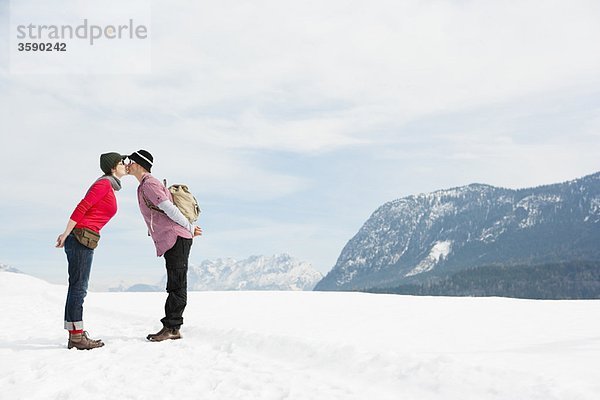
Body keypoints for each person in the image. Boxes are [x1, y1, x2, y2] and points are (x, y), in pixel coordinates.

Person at [125, 149, 202, 342]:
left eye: (130, 161)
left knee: (176, 285)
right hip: (173, 238)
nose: (127, 164)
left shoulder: (149, 184)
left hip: (176, 237)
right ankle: (171, 326)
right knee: (175, 283)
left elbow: (169, 208)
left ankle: (172, 328)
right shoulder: (145, 185)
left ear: (139, 164)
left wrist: (190, 228)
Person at [56, 152, 127, 350]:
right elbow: (82, 206)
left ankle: (75, 333)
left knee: (77, 287)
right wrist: (65, 233)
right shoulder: (103, 184)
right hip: (80, 238)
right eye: (122, 162)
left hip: (83, 238)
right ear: (113, 167)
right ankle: (76, 337)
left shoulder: (109, 185)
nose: (125, 164)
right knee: (79, 288)